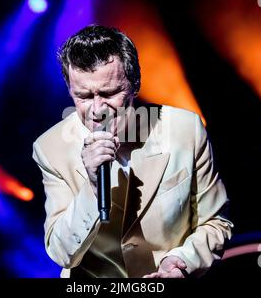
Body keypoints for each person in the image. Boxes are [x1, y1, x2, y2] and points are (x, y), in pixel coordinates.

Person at [32, 25, 233, 278]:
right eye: (83, 96)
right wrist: (92, 188)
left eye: (109, 93)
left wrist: (181, 262)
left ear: (135, 83)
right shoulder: (50, 148)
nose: (97, 110)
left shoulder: (184, 130)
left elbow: (216, 222)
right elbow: (62, 253)